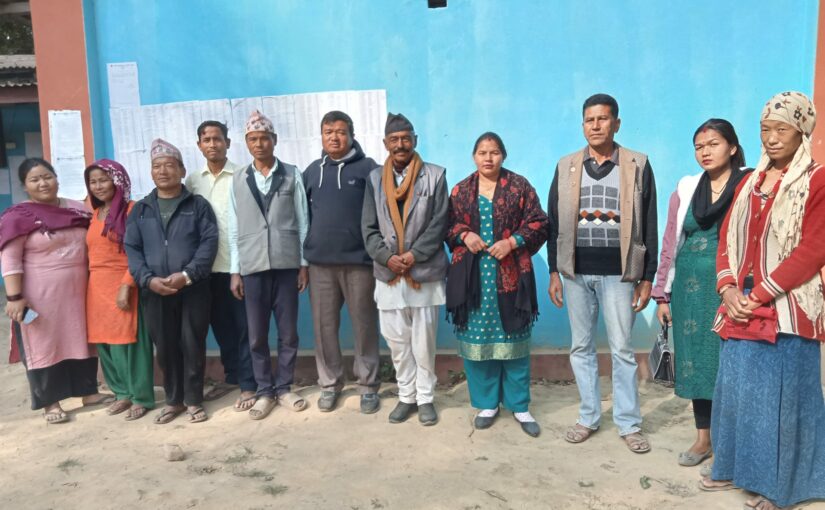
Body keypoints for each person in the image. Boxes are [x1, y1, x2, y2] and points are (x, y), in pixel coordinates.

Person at [700, 91, 825, 510]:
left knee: (783, 402)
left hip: (788, 306)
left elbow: (814, 248)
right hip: (741, 305)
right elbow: (726, 239)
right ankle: (734, 469)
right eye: (765, 129)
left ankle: (781, 488)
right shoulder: (749, 182)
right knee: (738, 394)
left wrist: (759, 294)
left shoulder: (816, 180)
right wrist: (728, 289)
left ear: (801, 131)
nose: (771, 138)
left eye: (781, 129)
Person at [547, 93, 658, 453]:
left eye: (603, 119)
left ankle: (628, 423)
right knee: (581, 347)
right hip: (576, 274)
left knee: (622, 348)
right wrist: (554, 271)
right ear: (583, 125)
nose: (595, 126)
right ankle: (588, 417)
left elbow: (649, 221)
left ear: (616, 123)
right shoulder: (567, 166)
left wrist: (647, 276)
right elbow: (554, 222)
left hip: (619, 274)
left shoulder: (637, 164)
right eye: (589, 120)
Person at [652, 119, 749, 465]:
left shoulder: (749, 184)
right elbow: (670, 242)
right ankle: (703, 439)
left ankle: (731, 441)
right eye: (699, 146)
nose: (705, 152)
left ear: (732, 147)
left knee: (729, 363)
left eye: (713, 144)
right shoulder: (687, 187)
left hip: (730, 290)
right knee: (695, 364)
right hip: (689, 293)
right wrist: (662, 295)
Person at [446, 132, 548, 437]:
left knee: (514, 340)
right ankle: (486, 404)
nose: (488, 158)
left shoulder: (519, 187)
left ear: (503, 155)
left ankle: (519, 405)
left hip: (511, 276)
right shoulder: (461, 190)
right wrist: (465, 235)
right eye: (482, 152)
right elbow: (446, 225)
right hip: (473, 280)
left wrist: (512, 242)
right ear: (474, 156)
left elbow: (539, 222)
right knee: (478, 342)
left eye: (494, 152)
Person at [0, 157, 112, 424]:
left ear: (57, 179)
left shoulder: (78, 209)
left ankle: (88, 392)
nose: (43, 183)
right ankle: (51, 402)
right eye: (34, 180)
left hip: (79, 292)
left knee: (81, 339)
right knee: (44, 344)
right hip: (40, 297)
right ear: (25, 186)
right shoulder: (18, 217)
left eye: (47, 177)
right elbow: (10, 260)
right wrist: (14, 297)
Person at [362, 113, 449, 426]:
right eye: (394, 139)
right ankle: (406, 396)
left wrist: (414, 255)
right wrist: (387, 258)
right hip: (388, 274)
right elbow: (368, 227)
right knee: (397, 342)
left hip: (423, 273)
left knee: (424, 342)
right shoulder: (374, 179)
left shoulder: (435, 175)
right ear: (385, 143)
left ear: (415, 140)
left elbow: (439, 222)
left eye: (405, 138)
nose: (400, 145)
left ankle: (425, 398)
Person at [124, 138, 218, 425]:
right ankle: (173, 400)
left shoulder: (198, 206)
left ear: (182, 170)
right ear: (151, 173)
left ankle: (193, 400)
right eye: (157, 166)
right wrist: (148, 280)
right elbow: (132, 249)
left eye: (169, 165)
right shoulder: (141, 210)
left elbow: (209, 243)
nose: (163, 171)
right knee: (164, 347)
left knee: (192, 344)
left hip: (193, 288)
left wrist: (187, 275)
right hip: (155, 291)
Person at [228, 110, 309, 419]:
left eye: (264, 138)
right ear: (247, 143)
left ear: (274, 140)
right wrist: (235, 270)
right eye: (253, 139)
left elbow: (303, 220)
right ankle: (264, 390)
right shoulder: (238, 178)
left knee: (288, 333)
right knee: (256, 335)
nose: (259, 144)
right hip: (252, 266)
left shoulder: (291, 174)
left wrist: (303, 263)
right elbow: (234, 226)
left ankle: (284, 387)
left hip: (286, 264)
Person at [303, 110, 381, 413]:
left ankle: (368, 385)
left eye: (340, 132)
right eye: (328, 132)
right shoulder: (312, 171)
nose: (334, 137)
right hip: (320, 265)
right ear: (321, 136)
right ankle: (330, 383)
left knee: (364, 325)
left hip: (359, 263)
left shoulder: (368, 169)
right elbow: (302, 216)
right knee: (324, 327)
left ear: (351, 135)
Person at [187, 120, 257, 411]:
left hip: (238, 265)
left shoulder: (243, 175)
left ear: (228, 143)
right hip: (207, 269)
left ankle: (249, 384)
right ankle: (232, 377)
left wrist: (240, 267)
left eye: (218, 139)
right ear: (199, 145)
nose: (212, 144)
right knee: (221, 325)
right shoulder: (193, 181)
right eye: (206, 140)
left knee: (245, 327)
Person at [85, 159, 155, 421]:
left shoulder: (132, 210)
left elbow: (140, 252)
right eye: (93, 182)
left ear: (117, 181)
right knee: (105, 341)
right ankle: (122, 393)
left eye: (104, 180)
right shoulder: (94, 213)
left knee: (131, 342)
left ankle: (141, 397)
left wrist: (127, 284)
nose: (98, 186)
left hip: (125, 283)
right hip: (96, 287)